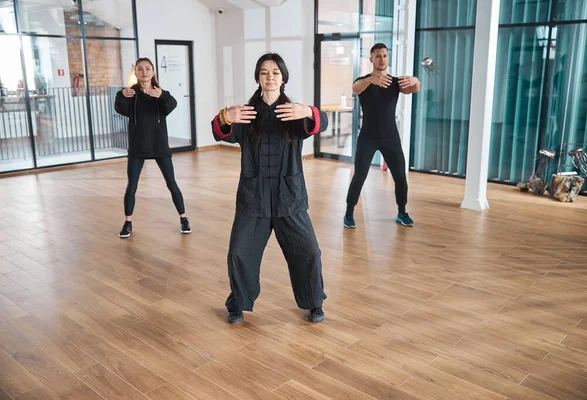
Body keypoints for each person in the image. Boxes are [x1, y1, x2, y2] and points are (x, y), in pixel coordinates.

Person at [211, 53, 328, 324]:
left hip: (290, 198)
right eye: (264, 72)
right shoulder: (246, 114)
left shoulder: (295, 112)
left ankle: (314, 302)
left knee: (308, 252)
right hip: (254, 198)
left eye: (275, 72)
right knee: (239, 253)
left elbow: (322, 122)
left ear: (283, 77)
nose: (270, 77)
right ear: (258, 78)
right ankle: (238, 303)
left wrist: (309, 111)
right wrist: (225, 116)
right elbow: (219, 132)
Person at [344, 43, 420, 229]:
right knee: (359, 176)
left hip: (390, 137)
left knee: (400, 176)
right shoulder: (364, 81)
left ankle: (402, 212)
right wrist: (372, 79)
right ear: (371, 59)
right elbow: (355, 88)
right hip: (368, 137)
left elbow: (413, 89)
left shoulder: (395, 82)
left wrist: (416, 81)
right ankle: (348, 213)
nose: (382, 59)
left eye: (385, 55)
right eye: (378, 56)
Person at [114, 57, 191, 238]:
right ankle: (127, 222)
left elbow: (172, 105)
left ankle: (184, 218)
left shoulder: (160, 93)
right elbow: (120, 109)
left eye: (148, 68)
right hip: (137, 146)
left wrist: (162, 95)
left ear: (153, 72)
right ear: (136, 73)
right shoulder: (130, 94)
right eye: (140, 69)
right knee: (131, 186)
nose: (144, 72)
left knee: (171, 183)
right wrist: (120, 95)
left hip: (159, 145)